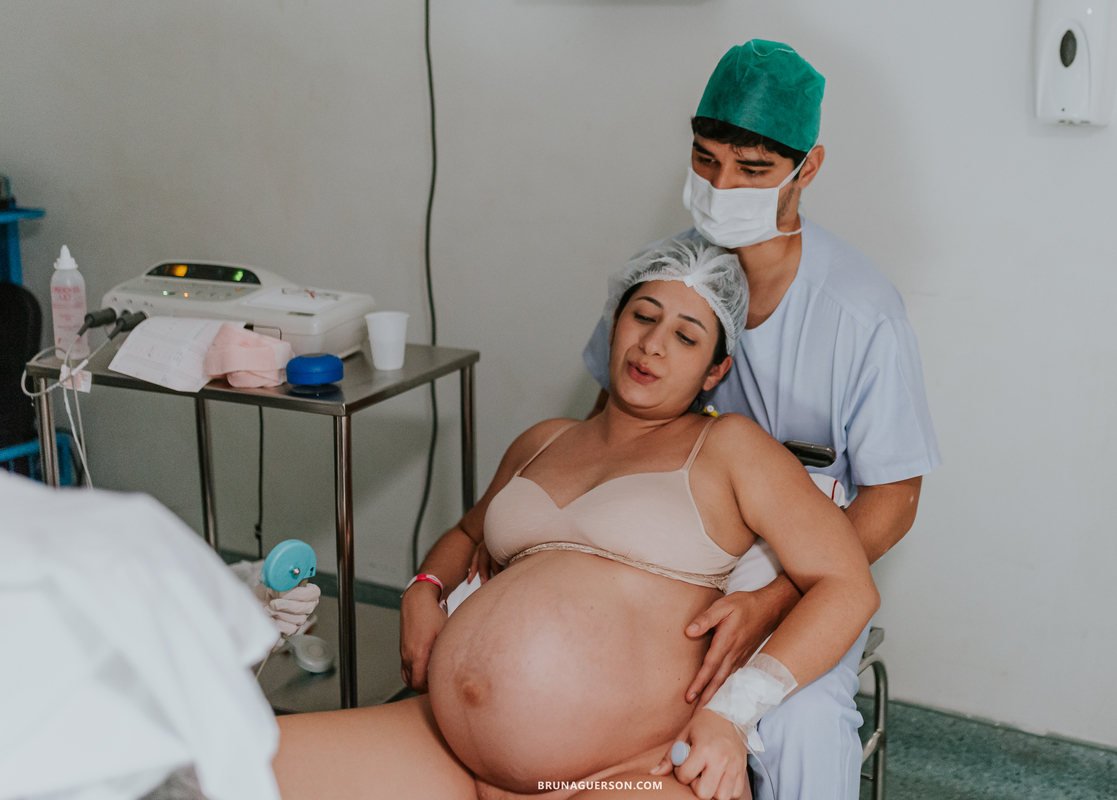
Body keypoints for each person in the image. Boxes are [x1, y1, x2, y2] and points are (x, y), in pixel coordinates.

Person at [275, 238, 879, 800]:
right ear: (614, 325)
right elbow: (465, 533)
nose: (653, 345)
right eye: (643, 317)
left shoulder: (732, 449)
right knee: (240, 766)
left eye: (686, 336)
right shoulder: (544, 440)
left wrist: (733, 715)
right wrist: (422, 591)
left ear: (714, 372)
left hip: (627, 775)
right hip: (447, 746)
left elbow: (847, 586)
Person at [578, 41, 942, 800]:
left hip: (804, 567)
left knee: (799, 722)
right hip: (671, 543)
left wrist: (774, 599)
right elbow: (605, 423)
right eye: (705, 160)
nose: (720, 188)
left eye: (751, 169)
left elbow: (895, 499)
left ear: (807, 169)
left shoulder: (859, 313)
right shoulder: (666, 279)